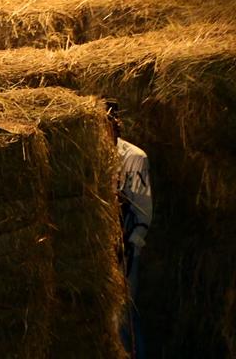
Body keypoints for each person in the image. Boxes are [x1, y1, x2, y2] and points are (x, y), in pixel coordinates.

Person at [108, 101, 151, 359]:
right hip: (101, 252)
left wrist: (131, 244)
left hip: (125, 250)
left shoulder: (133, 157)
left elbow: (143, 210)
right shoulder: (91, 157)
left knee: (123, 316)